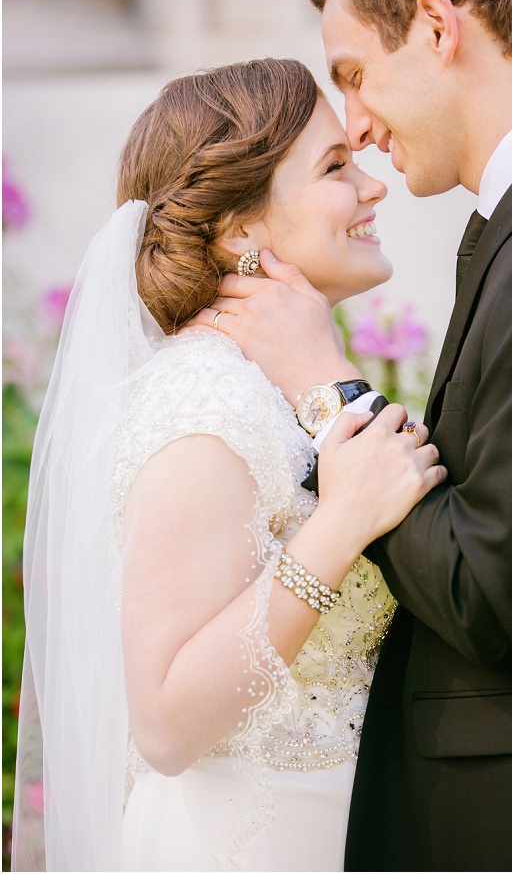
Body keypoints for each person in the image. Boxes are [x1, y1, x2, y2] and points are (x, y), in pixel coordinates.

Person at [198, 0, 512, 869]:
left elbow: (492, 595)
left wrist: (328, 386)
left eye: (355, 74)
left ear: (434, 24)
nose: (355, 125)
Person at [12, 59, 446, 871]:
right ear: (240, 230)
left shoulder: (270, 382)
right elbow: (168, 721)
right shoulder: (204, 398)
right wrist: (343, 523)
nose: (373, 185)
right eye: (334, 167)